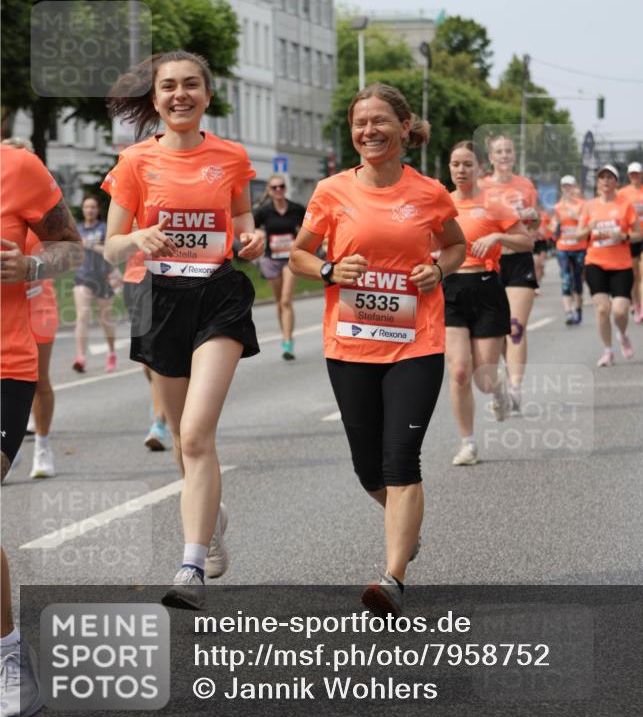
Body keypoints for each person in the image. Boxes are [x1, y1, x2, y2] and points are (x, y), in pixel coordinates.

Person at [289, 83, 466, 615]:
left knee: (401, 459)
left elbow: (455, 244)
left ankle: (392, 578)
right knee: (368, 469)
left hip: (416, 343)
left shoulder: (429, 192)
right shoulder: (331, 191)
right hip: (350, 345)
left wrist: (438, 270)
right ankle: (404, 526)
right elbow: (299, 255)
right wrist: (328, 269)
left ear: (405, 127)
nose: (369, 130)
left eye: (380, 120)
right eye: (360, 122)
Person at [103, 50, 264, 610]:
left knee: (196, 434)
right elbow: (111, 245)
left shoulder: (231, 156)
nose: (180, 94)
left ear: (207, 95)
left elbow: (241, 221)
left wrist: (250, 239)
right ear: (155, 99)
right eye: (169, 86)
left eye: (191, 84)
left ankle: (190, 564)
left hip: (218, 296)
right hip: (158, 300)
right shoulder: (135, 162)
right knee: (180, 438)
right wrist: (136, 237)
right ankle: (211, 518)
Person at [1, 142, 81, 717]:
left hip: (4, 365)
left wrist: (31, 267)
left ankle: (8, 657)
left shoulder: (18, 168)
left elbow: (71, 249)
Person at [445, 142, 533, 466]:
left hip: (485, 288)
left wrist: (498, 237)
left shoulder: (495, 202)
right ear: (449, 168)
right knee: (458, 371)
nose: (461, 170)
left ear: (479, 168)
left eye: (468, 164)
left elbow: (526, 241)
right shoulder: (441, 203)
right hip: (451, 289)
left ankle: (498, 392)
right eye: (456, 164)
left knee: (483, 378)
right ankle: (468, 444)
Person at [1, 137, 59, 476]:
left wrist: (30, 266)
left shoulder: (38, 204)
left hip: (39, 305)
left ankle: (42, 445)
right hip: (13, 309)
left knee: (41, 379)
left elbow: (66, 250)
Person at [479, 135, 538, 413]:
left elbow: (533, 226)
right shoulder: (481, 187)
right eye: (499, 151)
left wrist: (532, 216)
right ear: (491, 157)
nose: (504, 155)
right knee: (497, 329)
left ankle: (515, 387)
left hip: (519, 261)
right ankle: (502, 378)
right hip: (490, 262)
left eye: (508, 151)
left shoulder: (525, 185)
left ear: (514, 155)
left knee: (515, 326)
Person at [576, 164, 642, 367]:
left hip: (621, 265)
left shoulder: (625, 205)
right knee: (603, 309)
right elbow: (578, 235)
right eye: (602, 177)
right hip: (595, 263)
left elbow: (639, 234)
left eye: (609, 177)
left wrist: (623, 236)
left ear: (616, 182)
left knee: (620, 311)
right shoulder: (589, 206)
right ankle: (608, 350)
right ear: (597, 183)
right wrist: (589, 228)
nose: (605, 180)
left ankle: (622, 334)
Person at [122, 246, 171, 451]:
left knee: (161, 358)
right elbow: (113, 246)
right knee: (147, 364)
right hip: (135, 281)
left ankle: (159, 423)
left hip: (170, 277)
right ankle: (163, 399)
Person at [254, 175, 306, 360]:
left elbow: (309, 228)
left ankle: (288, 342)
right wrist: (258, 234)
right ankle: (285, 332)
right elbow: (251, 228)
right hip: (272, 260)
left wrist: (302, 241)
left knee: (285, 300)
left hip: (291, 260)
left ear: (285, 188)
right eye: (274, 187)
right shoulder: (264, 211)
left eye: (281, 186)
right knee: (278, 302)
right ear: (269, 191)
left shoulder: (296, 209)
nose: (278, 190)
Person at [72, 195, 116, 373]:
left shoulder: (104, 228)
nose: (89, 210)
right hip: (83, 276)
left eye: (92, 207)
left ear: (98, 210)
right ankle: (80, 358)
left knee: (105, 319)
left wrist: (90, 245)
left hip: (103, 277)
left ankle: (111, 352)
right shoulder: (77, 229)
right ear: (82, 210)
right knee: (82, 315)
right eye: (86, 207)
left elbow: (111, 251)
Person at [618, 162, 643, 323]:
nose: (635, 176)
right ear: (628, 176)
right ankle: (636, 304)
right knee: (634, 274)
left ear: (642, 174)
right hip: (632, 236)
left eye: (637, 173)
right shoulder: (622, 193)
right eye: (632, 174)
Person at [551, 174, 587, 326]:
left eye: (569, 185)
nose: (567, 188)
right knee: (566, 279)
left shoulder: (582, 205)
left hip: (579, 248)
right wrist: (554, 226)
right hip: (563, 248)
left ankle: (578, 308)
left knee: (577, 280)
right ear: (561, 188)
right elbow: (553, 228)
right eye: (564, 186)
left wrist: (577, 218)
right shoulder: (557, 207)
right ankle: (568, 312)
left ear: (574, 186)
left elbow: (587, 224)